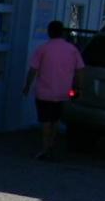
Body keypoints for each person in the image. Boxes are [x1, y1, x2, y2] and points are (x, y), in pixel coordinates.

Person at [23, 20, 85, 160]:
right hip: (63, 93)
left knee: (45, 120)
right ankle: (51, 145)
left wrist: (27, 86)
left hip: (44, 92)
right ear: (62, 32)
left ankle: (45, 148)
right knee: (55, 120)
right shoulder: (72, 50)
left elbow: (33, 70)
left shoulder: (43, 49)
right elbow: (80, 70)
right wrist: (79, 88)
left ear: (49, 32)